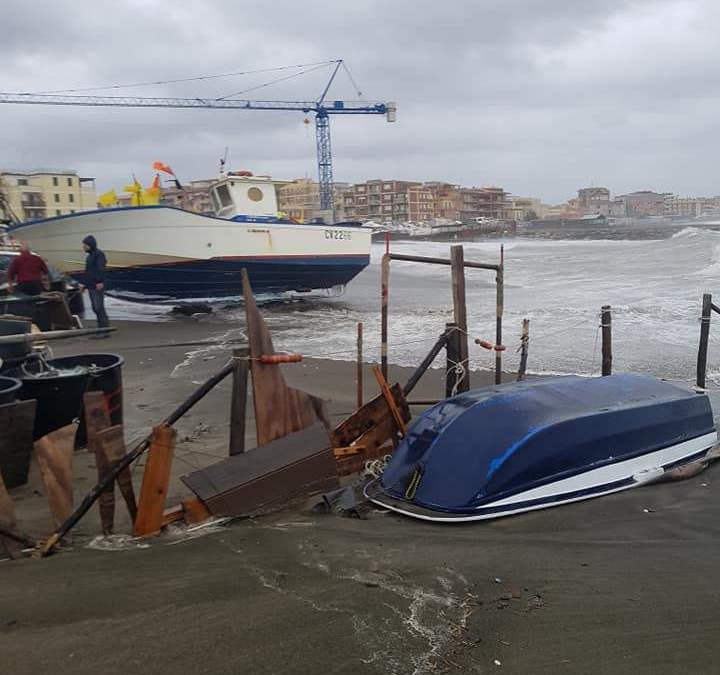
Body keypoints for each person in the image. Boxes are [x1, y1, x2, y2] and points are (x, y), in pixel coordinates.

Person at [81, 235, 110, 330]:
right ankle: (101, 327)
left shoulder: (99, 254)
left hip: (97, 284)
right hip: (91, 285)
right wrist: (85, 284)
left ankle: (104, 328)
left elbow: (100, 268)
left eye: (85, 245)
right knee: (95, 307)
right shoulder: (89, 256)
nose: (83, 247)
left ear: (90, 245)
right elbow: (88, 271)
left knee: (99, 307)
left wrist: (100, 281)